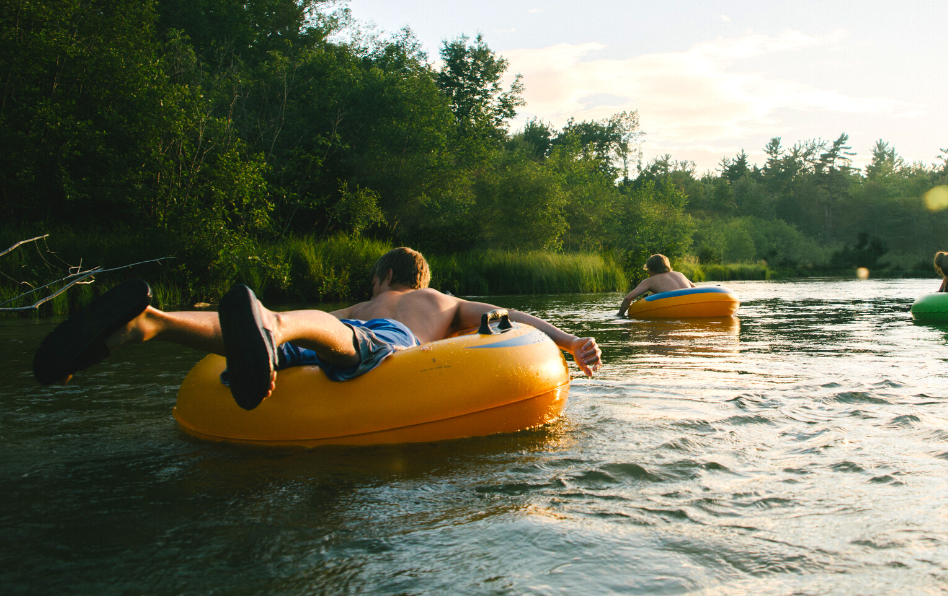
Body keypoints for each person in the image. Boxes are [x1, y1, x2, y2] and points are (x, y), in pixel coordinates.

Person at [33, 247, 602, 410]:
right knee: (300, 333)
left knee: (297, 332)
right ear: (420, 278)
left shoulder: (369, 303)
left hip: (336, 339)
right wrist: (569, 340)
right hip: (374, 350)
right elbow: (512, 321)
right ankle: (148, 326)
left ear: (383, 276)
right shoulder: (441, 301)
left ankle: (153, 324)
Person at [616, 254, 695, 317]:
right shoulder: (679, 274)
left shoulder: (650, 281)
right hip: (692, 307)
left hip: (673, 310)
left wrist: (620, 315)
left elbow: (628, 298)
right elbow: (694, 288)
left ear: (650, 268)